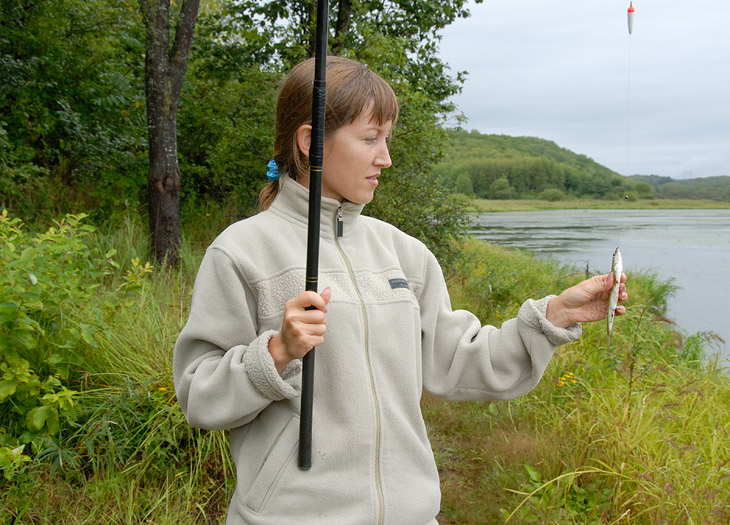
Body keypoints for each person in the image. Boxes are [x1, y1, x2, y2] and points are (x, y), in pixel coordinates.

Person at [173, 56, 627, 525]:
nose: (385, 157)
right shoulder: (240, 252)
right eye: (370, 139)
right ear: (310, 142)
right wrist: (276, 351)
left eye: (386, 139)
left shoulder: (405, 254)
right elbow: (199, 394)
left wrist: (553, 317)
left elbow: (461, 361)